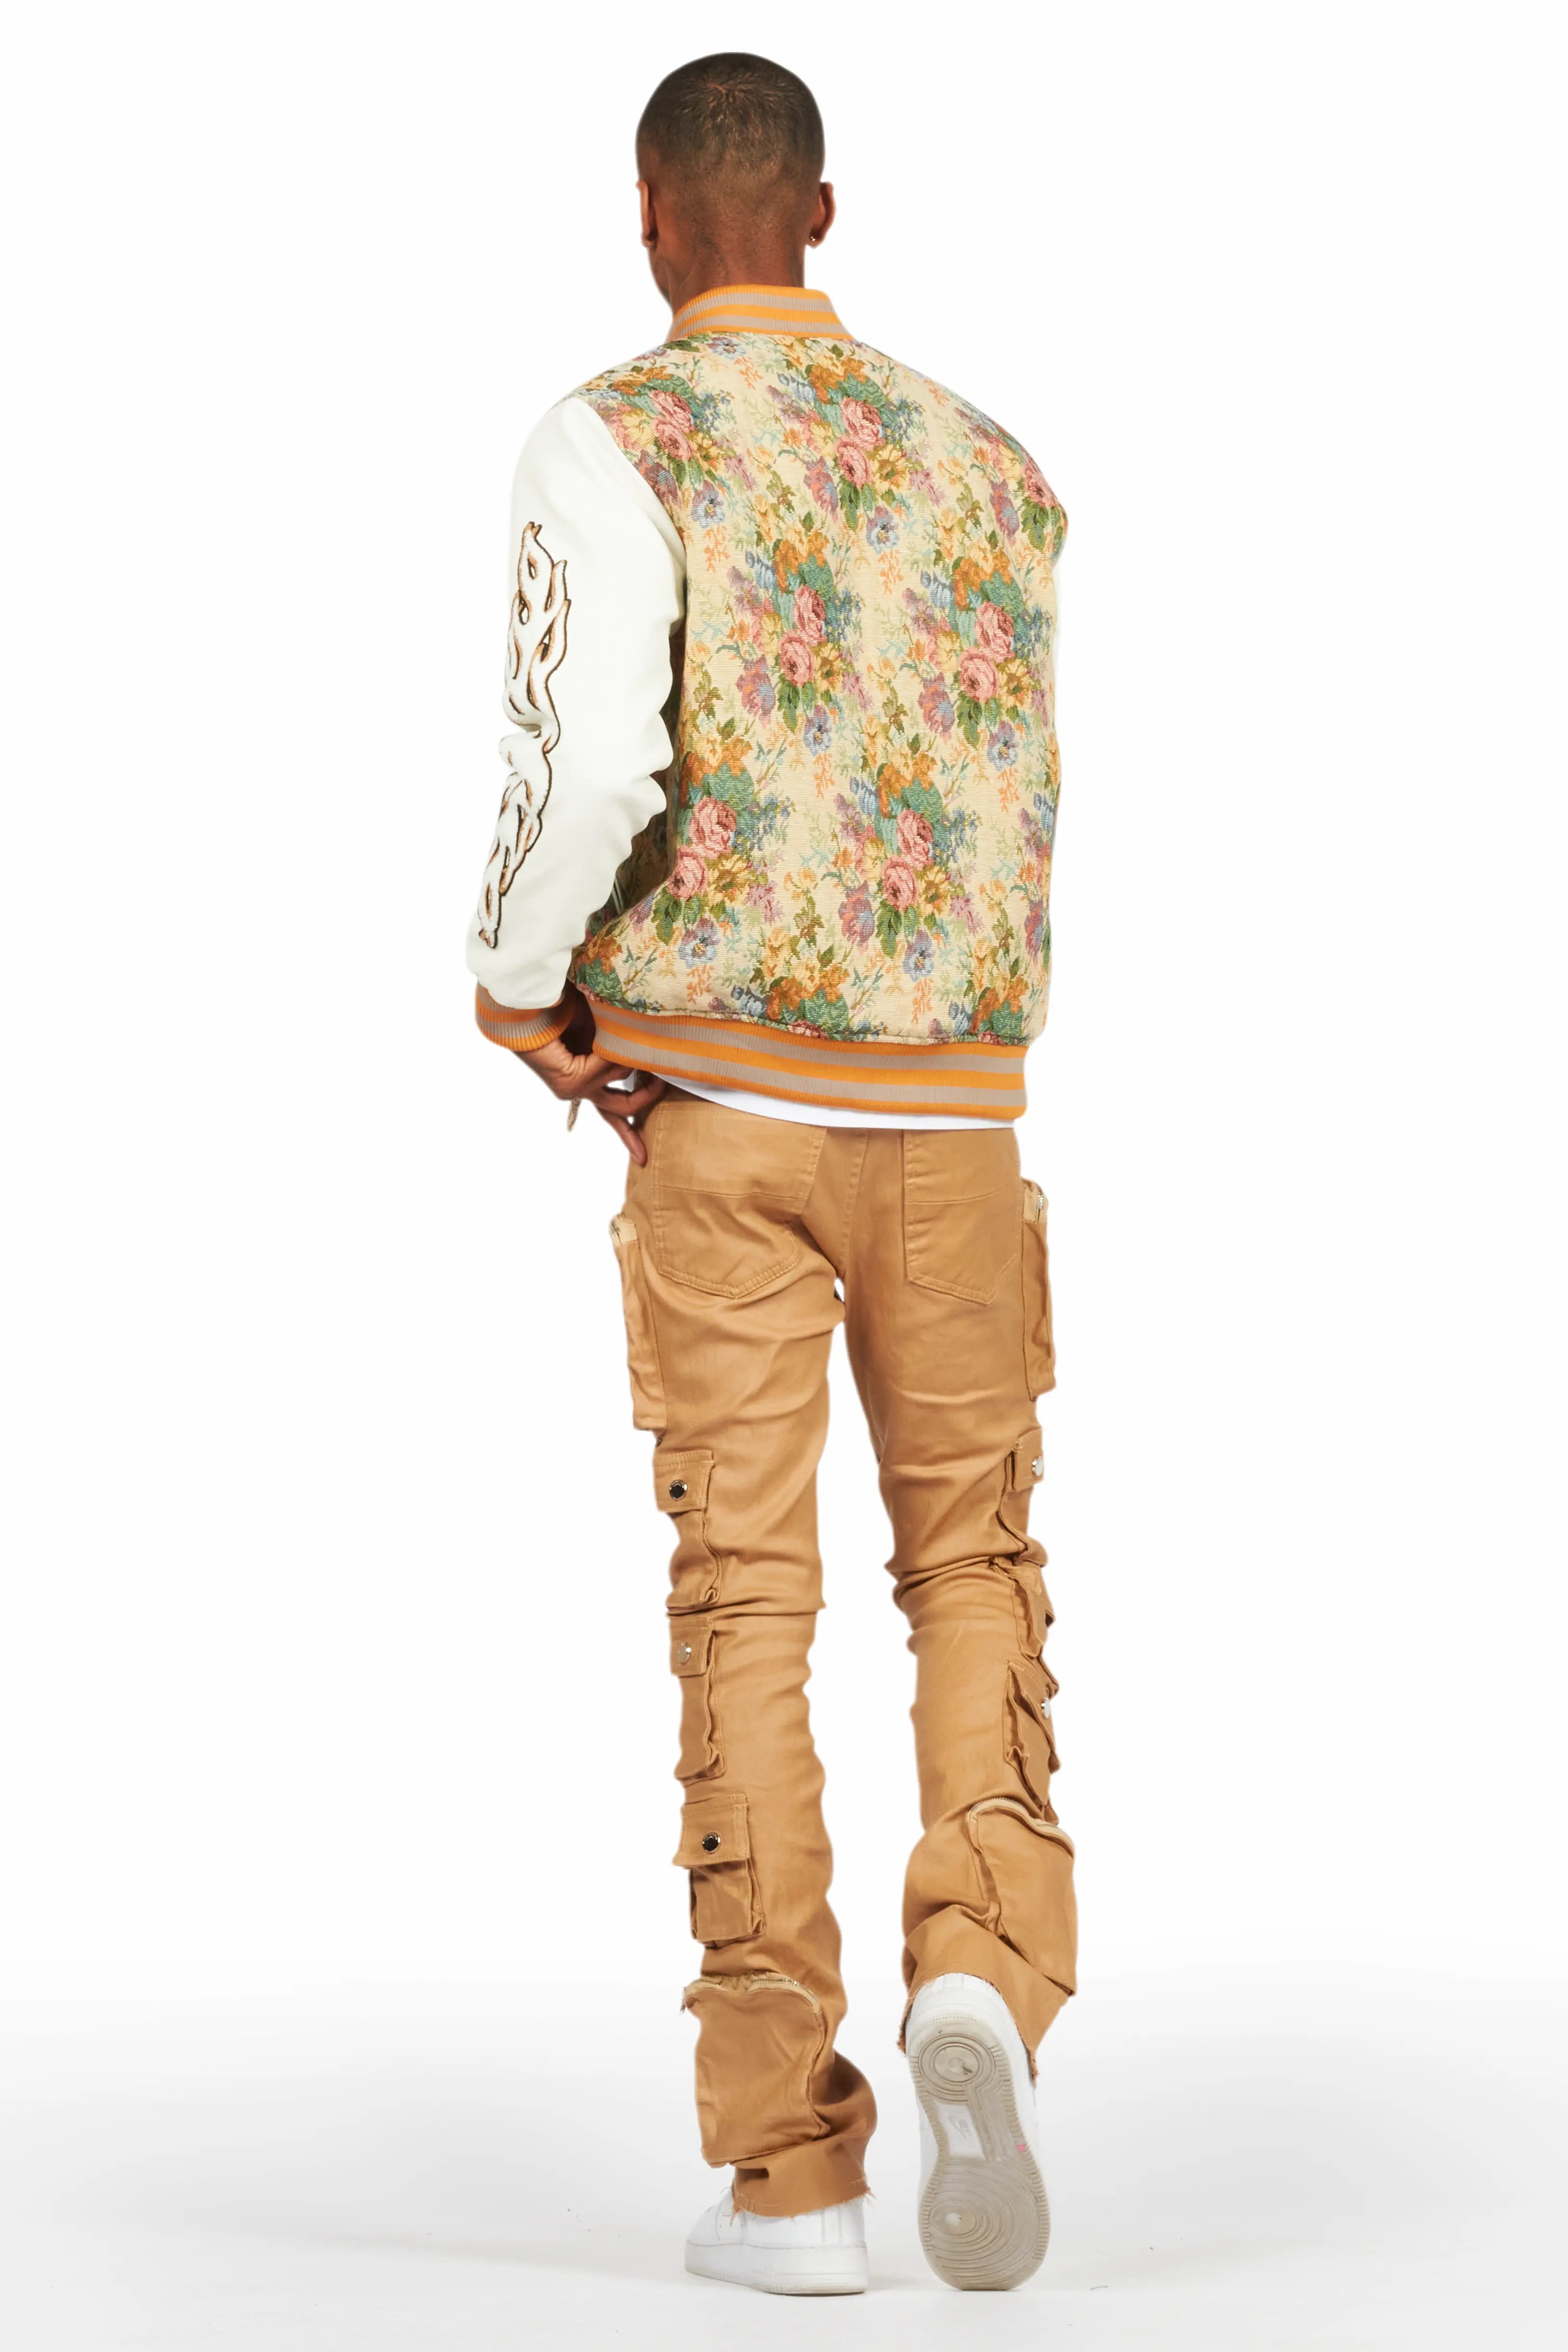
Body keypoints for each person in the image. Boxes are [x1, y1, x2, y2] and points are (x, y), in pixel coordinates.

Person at [465, 52, 1073, 2297]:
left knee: (744, 1596)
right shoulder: (986, 462)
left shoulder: (612, 437)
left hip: (716, 1111)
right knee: (970, 1556)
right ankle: (977, 1967)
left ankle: (791, 2177)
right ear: (820, 211)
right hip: (956, 1110)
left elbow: (589, 758)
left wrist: (517, 983)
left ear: (652, 215)